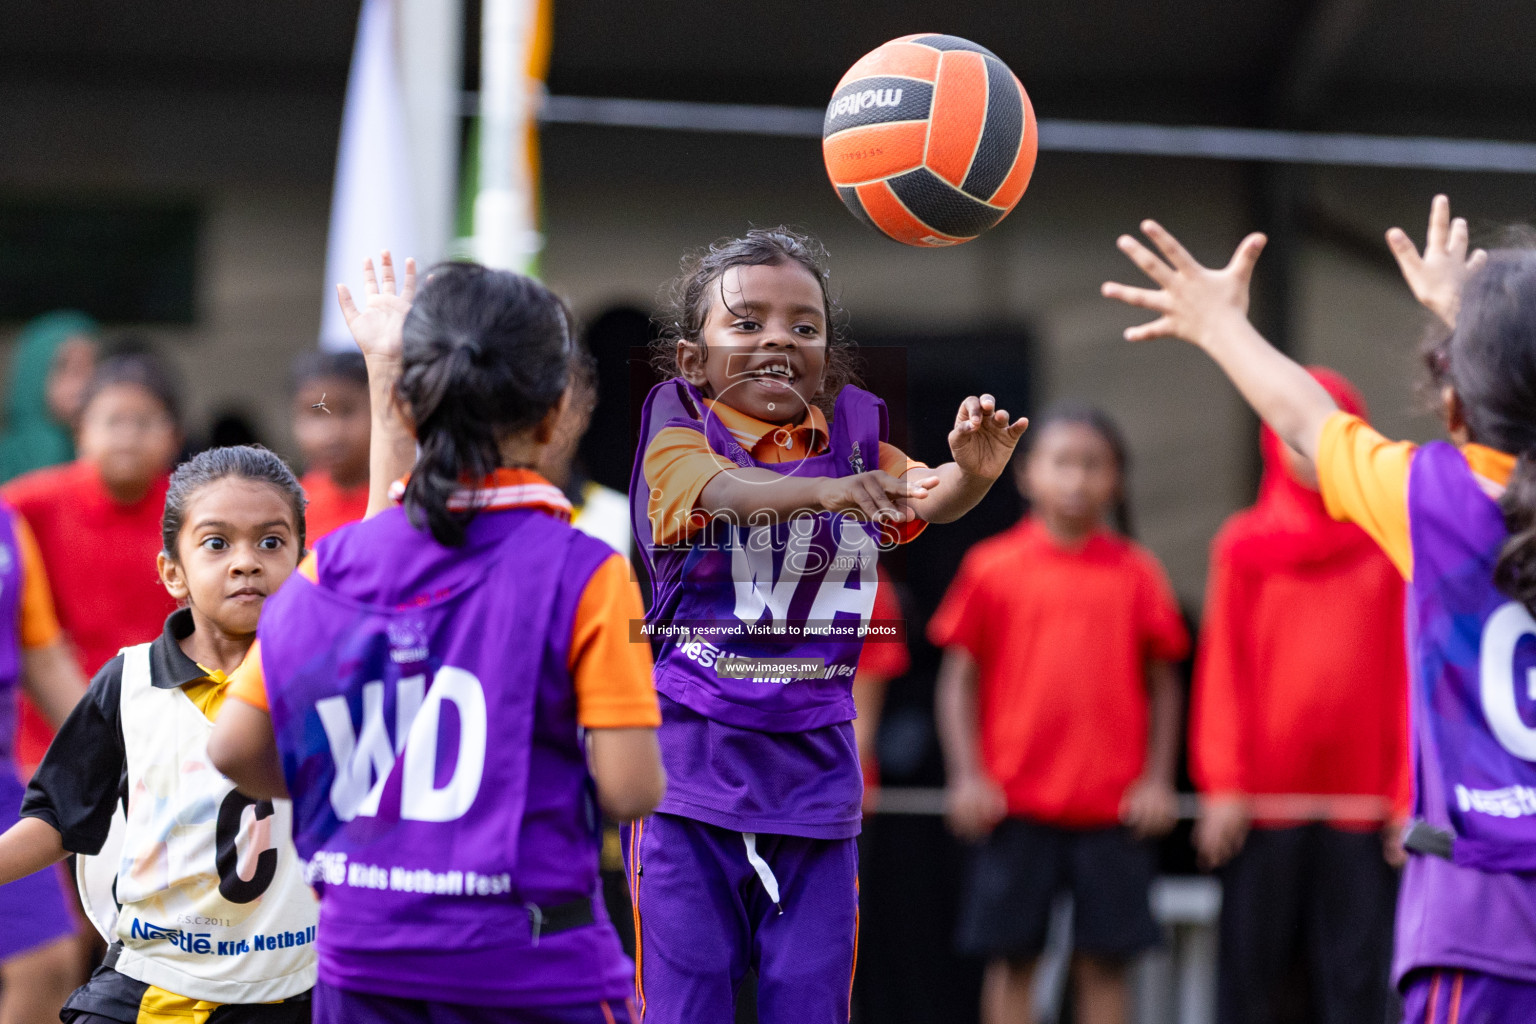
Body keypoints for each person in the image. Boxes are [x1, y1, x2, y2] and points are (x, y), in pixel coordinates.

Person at [1101, 194, 1536, 1020]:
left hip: (1483, 917)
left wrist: (1219, 321)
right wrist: (1476, 324)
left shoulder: (1430, 500)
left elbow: (1304, 416)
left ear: (1453, 405)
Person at [209, 254, 665, 1024]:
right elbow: (631, 789)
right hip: (529, 962)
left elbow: (232, 751)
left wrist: (369, 786)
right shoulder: (586, 570)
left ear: (409, 408)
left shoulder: (330, 567)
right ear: (556, 413)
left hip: (362, 953)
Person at [626, 227, 1027, 1024]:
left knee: (808, 1007)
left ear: (825, 356)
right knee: (684, 1010)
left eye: (803, 326)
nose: (778, 336)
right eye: (747, 323)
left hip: (814, 785)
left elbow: (929, 492)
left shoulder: (858, 446)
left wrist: (972, 477)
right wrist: (840, 495)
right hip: (687, 779)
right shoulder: (676, 442)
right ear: (692, 362)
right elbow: (734, 497)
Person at [0, 445, 317, 1023]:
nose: (245, 562)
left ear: (305, 563)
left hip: (293, 994)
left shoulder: (326, 677)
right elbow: (57, 819)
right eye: (217, 543)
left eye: (271, 542)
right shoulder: (129, 684)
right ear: (174, 572)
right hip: (156, 991)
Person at [931, 403, 1187, 1024]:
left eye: (1093, 465)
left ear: (1117, 478)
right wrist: (968, 777)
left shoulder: (1138, 573)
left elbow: (1166, 685)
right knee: (1013, 960)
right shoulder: (990, 567)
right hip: (1012, 804)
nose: (1077, 480)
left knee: (1104, 963)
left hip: (1112, 808)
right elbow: (956, 683)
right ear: (1026, 475)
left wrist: (1157, 780)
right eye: (1062, 463)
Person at [1191, 367, 1409, 1024]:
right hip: (1261, 807)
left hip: (1367, 810)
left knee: (1357, 983)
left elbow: (1412, 675)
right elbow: (1222, 670)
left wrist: (1408, 793)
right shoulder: (1243, 546)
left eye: (1325, 431)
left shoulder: (1389, 541)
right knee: (1255, 983)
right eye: (1292, 432)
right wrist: (1222, 786)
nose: (1307, 448)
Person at [3, 352, 181, 775]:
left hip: (169, 733)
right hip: (48, 737)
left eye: (144, 422)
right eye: (112, 421)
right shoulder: (28, 505)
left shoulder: (196, 508)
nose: (128, 436)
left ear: (174, 435)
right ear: (81, 431)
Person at [0, 497, 90, 1024]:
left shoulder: (8, 525)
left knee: (49, 961)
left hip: (2, 777)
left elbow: (42, 654)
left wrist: (123, 749)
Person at [0, 311, 99, 483]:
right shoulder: (7, 459)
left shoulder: (106, 457)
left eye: (93, 367)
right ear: (34, 374)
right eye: (65, 367)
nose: (84, 381)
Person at [291, 350, 371, 542]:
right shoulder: (287, 506)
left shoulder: (402, 501)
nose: (331, 433)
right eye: (316, 414)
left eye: (347, 411)